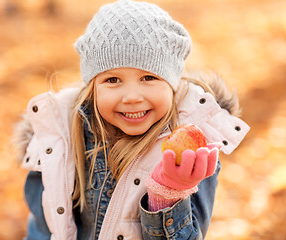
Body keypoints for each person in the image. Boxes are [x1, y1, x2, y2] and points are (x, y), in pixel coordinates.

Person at [13, 0, 250, 239]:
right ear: (93, 87)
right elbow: (44, 228)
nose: (132, 97)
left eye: (148, 77)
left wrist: (168, 194)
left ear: (172, 84)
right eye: (113, 80)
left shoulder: (195, 147)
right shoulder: (61, 135)